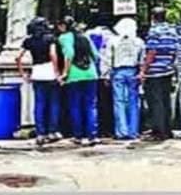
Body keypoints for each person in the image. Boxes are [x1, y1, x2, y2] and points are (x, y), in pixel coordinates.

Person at [17, 17, 62, 146]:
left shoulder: (28, 41)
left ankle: (40, 133)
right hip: (50, 72)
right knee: (54, 103)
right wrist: (56, 71)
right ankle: (53, 131)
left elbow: (18, 57)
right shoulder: (51, 38)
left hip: (36, 72)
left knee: (39, 104)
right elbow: (53, 55)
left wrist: (23, 74)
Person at [58, 16, 100, 146]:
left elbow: (69, 54)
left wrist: (65, 73)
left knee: (75, 106)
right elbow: (96, 55)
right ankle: (92, 136)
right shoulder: (85, 36)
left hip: (74, 75)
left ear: (64, 26)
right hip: (91, 74)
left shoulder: (64, 38)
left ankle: (78, 136)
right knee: (91, 106)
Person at [102, 17, 146, 141]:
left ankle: (121, 132)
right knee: (133, 102)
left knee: (119, 102)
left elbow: (108, 59)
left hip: (118, 73)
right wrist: (141, 73)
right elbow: (142, 60)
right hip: (133, 72)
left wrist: (105, 75)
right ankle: (133, 131)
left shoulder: (113, 41)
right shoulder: (139, 42)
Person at [138, 7, 177, 142]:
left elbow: (151, 52)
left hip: (155, 72)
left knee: (155, 102)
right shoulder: (172, 31)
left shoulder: (154, 31)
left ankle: (158, 132)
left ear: (153, 17)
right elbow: (175, 50)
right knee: (165, 100)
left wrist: (143, 70)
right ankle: (167, 130)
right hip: (167, 70)